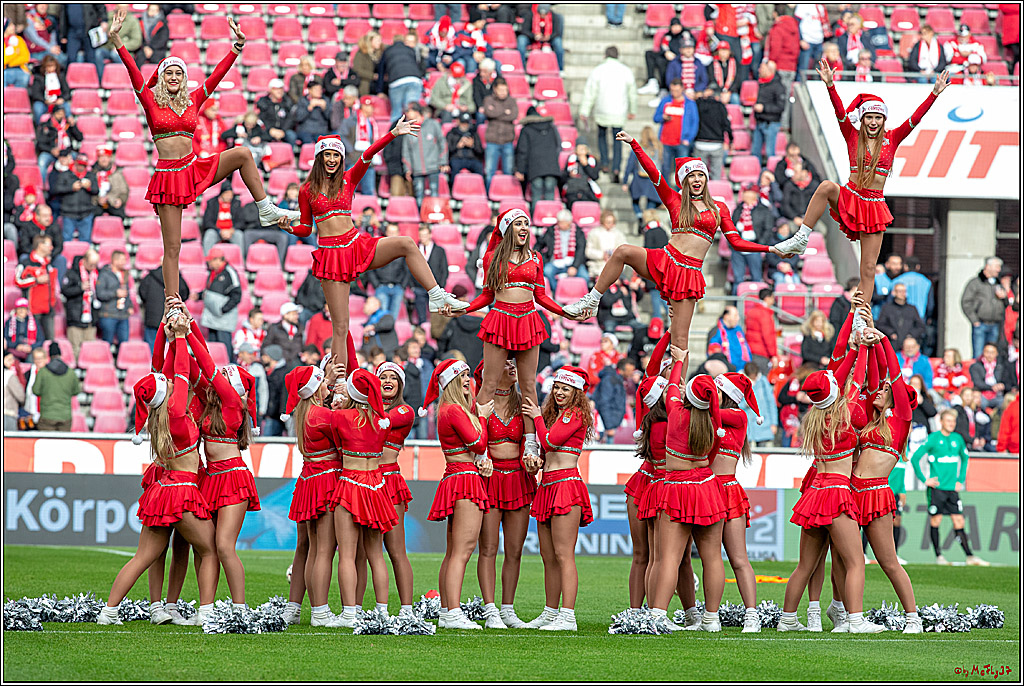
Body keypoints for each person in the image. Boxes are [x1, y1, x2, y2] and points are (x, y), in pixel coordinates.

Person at [108, 9, 297, 301]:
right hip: (169, 177)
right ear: (162, 77)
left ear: (184, 78)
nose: (173, 76)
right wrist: (117, 39)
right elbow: (133, 70)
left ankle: (266, 208)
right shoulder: (150, 100)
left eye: (178, 73)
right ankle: (172, 302)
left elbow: (217, 75)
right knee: (173, 248)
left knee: (243, 154)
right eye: (169, 72)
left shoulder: (193, 100)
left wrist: (237, 47)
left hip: (193, 168)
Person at [773, 59, 949, 333]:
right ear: (863, 119)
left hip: (875, 206)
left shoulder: (893, 137)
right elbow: (839, 112)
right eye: (869, 117)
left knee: (868, 269)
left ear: (883, 120)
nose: (874, 122)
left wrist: (934, 94)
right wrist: (830, 85)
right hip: (851, 196)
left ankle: (860, 316)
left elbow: (916, 119)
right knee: (826, 186)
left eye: (878, 117)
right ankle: (801, 237)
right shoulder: (852, 136)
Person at [281, 127, 468, 371]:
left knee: (406, 243)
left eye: (336, 155)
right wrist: (289, 228)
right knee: (341, 326)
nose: (332, 159)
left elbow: (368, 154)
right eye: (327, 154)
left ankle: (436, 295)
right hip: (331, 256)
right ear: (319, 157)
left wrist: (393, 133)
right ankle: (338, 380)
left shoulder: (348, 179)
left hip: (356, 244)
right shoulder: (307, 190)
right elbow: (306, 228)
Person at [566, 150, 779, 356]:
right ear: (684, 181)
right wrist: (634, 145)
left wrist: (772, 248)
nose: (696, 179)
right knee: (622, 251)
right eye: (691, 175)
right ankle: (592, 299)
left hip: (688, 273)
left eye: (700, 175)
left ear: (706, 178)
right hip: (665, 260)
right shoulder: (674, 200)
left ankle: (677, 381)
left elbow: (737, 242)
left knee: (680, 343)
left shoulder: (719, 208)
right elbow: (653, 172)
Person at [97, 313, 220, 627]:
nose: (169, 380)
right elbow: (180, 370)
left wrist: (165, 333)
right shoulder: (177, 413)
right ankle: (207, 613)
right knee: (210, 551)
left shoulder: (158, 414)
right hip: (183, 491)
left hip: (162, 491)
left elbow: (161, 370)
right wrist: (181, 334)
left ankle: (109, 611)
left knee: (143, 557)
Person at [778, 317, 885, 633]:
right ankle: (855, 620)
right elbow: (855, 380)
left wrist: (853, 348)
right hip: (837, 493)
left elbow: (835, 382)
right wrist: (861, 349)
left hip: (814, 492)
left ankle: (787, 619)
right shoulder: (844, 413)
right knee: (855, 562)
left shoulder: (815, 415)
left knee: (804, 566)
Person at [458, 209, 582, 458]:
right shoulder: (491, 257)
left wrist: (564, 311)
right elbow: (486, 296)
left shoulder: (536, 258)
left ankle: (531, 445)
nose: (524, 227)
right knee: (489, 384)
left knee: (528, 386)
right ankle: (478, 443)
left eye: (526, 223)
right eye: (518, 223)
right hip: (500, 319)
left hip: (528, 321)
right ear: (507, 229)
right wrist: (463, 308)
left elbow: (541, 296)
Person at [185, 316, 261, 609]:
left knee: (224, 546)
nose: (217, 378)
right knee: (204, 547)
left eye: (224, 377)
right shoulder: (212, 402)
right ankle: (206, 609)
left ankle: (239, 608)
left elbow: (205, 364)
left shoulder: (232, 403)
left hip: (232, 477)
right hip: (212, 478)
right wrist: (182, 330)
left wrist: (189, 329)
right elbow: (194, 366)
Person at [422, 359, 494, 630]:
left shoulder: (449, 409)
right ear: (450, 382)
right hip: (464, 479)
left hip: (456, 476)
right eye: (461, 376)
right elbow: (479, 443)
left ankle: (446, 610)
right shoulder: (453, 410)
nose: (467, 379)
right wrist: (483, 416)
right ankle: (452, 612)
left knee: (453, 551)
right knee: (462, 551)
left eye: (467, 375)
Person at [521, 366, 595, 631]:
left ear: (577, 393)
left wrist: (537, 417)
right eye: (557, 388)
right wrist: (534, 462)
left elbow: (551, 441)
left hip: (566, 486)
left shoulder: (575, 414)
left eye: (566, 388)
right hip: (547, 485)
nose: (559, 392)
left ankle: (568, 616)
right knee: (548, 556)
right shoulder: (556, 415)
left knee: (564, 554)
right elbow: (546, 453)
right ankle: (550, 612)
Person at [473, 360, 538, 629]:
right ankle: (490, 610)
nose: (512, 365)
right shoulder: (480, 403)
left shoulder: (523, 402)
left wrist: (531, 458)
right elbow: (472, 441)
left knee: (514, 550)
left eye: (513, 362)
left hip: (519, 480)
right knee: (488, 548)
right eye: (505, 363)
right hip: (489, 479)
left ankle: (508, 609)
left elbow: (530, 441)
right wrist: (480, 459)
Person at [329, 369, 397, 622]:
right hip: (377, 485)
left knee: (347, 554)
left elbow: (337, 446)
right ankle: (382, 611)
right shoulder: (384, 420)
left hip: (350, 483)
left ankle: (349, 612)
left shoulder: (340, 416)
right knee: (376, 555)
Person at [280, 363, 345, 625]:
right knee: (323, 550)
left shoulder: (304, 411)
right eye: (321, 382)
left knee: (306, 548)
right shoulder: (324, 416)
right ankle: (320, 611)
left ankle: (294, 609)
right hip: (326, 480)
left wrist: (326, 381)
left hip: (308, 480)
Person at [714, 372, 767, 631]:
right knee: (706, 558)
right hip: (704, 490)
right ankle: (704, 615)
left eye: (716, 389)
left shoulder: (737, 415)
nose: (711, 394)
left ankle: (752, 614)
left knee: (738, 558)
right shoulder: (709, 417)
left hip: (727, 491)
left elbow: (707, 411)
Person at [912, 410, 989, 566]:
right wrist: (925, 480)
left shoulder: (957, 439)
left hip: (952, 489)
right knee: (936, 520)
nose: (951, 424)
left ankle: (970, 556)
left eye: (953, 421)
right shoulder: (933, 438)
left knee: (959, 520)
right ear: (941, 422)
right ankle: (939, 556)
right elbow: (915, 458)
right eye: (948, 421)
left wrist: (960, 480)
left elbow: (965, 458)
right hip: (937, 488)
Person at [375, 360, 417, 618]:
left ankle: (406, 610)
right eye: (383, 377)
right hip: (365, 481)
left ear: (400, 384)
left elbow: (381, 422)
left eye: (393, 377)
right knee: (363, 552)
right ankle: (356, 610)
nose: (387, 381)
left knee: (396, 549)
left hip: (389, 481)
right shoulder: (368, 409)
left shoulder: (404, 411)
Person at [580, 46, 637, 182]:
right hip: (619, 111)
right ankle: (616, 167)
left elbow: (590, 92)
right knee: (618, 140)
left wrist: (584, 110)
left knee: (602, 136)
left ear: (605, 55)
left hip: (602, 110)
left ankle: (605, 163)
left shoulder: (598, 70)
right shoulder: (626, 71)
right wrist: (632, 110)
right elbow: (632, 93)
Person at [961, 257, 1009, 358]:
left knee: (992, 356)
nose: (999, 270)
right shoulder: (976, 283)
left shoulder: (998, 283)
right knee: (978, 354)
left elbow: (1006, 304)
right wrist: (974, 320)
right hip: (981, 324)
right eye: (997, 267)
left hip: (995, 324)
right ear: (988, 267)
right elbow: (966, 302)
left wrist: (1004, 297)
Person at [515, 106, 561, 210]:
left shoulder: (526, 129)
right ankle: (549, 216)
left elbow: (522, 151)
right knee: (550, 193)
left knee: (536, 194)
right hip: (551, 166)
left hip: (535, 167)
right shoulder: (551, 127)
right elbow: (558, 146)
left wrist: (520, 170)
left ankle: (536, 217)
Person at [401, 103, 447, 207]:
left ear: (416, 112)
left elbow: (442, 143)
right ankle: (421, 216)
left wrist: (442, 161)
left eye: (408, 111)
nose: (406, 113)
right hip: (417, 169)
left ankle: (434, 215)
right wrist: (407, 168)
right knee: (419, 196)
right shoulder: (408, 129)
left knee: (434, 194)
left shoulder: (433, 124)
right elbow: (406, 151)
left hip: (433, 167)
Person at [14, 234, 58, 341]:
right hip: (33, 311)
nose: (51, 247)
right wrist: (36, 280)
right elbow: (17, 281)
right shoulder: (26, 262)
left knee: (49, 342)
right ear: (40, 245)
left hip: (48, 310)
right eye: (49, 245)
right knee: (34, 342)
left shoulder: (49, 264)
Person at [731, 184, 773, 290]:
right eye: (744, 192)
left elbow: (768, 229)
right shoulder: (739, 209)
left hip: (754, 246)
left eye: (747, 192)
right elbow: (731, 227)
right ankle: (737, 298)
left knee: (756, 277)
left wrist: (760, 244)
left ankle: (755, 298)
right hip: (738, 247)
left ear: (754, 194)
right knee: (738, 278)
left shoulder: (763, 210)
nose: (744, 195)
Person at [763, 5, 799, 128]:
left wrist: (772, 60)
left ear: (775, 13)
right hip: (791, 66)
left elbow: (775, 47)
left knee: (778, 97)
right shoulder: (794, 27)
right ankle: (785, 123)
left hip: (779, 65)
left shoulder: (778, 28)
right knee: (786, 96)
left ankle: (779, 124)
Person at [653, 80, 699, 178]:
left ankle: (680, 187)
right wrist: (663, 117)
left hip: (681, 142)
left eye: (677, 91)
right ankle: (666, 187)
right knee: (665, 168)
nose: (674, 93)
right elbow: (656, 118)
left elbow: (694, 123)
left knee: (682, 170)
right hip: (665, 141)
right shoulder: (665, 101)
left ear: (682, 89)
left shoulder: (689, 104)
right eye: (672, 90)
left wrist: (689, 139)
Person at [137, 267, 189, 351]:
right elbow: (185, 294)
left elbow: (142, 293)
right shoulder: (177, 278)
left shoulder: (149, 277)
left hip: (152, 318)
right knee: (169, 348)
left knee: (151, 348)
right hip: (170, 319)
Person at [51, 152, 98, 244]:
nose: (81, 167)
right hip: (68, 213)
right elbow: (57, 189)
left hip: (86, 213)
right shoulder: (65, 175)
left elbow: (96, 190)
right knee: (67, 240)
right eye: (79, 165)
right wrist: (71, 188)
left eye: (83, 165)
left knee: (85, 241)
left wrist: (89, 187)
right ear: (75, 163)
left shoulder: (91, 176)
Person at [199, 248, 242, 351]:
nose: (209, 263)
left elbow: (236, 294)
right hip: (212, 317)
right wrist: (199, 295)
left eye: (211, 260)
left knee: (224, 347)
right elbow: (210, 291)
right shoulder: (213, 272)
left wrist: (223, 309)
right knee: (213, 348)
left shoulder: (230, 272)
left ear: (218, 259)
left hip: (223, 319)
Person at [60, 249, 99, 358]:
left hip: (91, 318)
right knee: (75, 348)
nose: (93, 267)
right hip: (75, 317)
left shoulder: (96, 274)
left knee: (90, 349)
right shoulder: (72, 273)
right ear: (84, 261)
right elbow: (65, 291)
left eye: (95, 265)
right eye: (91, 265)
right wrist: (80, 288)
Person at [621, 127, 664, 225]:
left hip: (639, 178)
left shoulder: (637, 148)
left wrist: (625, 181)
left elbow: (629, 165)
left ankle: (640, 215)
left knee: (635, 200)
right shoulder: (659, 149)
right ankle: (647, 219)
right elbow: (664, 167)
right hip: (653, 179)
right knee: (651, 201)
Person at [481, 78, 518, 189]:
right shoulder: (488, 99)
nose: (503, 93)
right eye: (500, 90)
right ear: (495, 90)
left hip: (507, 141)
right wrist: (505, 111)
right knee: (489, 171)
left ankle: (507, 192)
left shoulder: (512, 101)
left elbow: (513, 115)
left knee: (508, 171)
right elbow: (489, 113)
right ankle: (488, 194)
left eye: (505, 90)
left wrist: (496, 111)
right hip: (492, 141)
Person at [536, 210, 588, 285]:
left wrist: (575, 266)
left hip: (573, 262)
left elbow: (581, 250)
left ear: (569, 222)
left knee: (585, 277)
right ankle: (557, 290)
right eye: (559, 222)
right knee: (547, 272)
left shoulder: (578, 232)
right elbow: (539, 245)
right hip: (555, 262)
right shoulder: (551, 231)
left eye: (563, 223)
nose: (560, 225)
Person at [381, 31, 424, 121]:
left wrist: (379, 90)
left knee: (396, 112)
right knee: (412, 112)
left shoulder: (388, 51)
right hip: (414, 79)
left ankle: (394, 130)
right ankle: (413, 130)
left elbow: (381, 71)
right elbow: (419, 65)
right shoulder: (410, 50)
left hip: (396, 81)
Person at [96, 249, 135, 348]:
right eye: (122, 260)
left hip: (123, 314)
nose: (124, 262)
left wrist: (130, 306)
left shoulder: (125, 274)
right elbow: (100, 294)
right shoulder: (104, 274)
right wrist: (115, 293)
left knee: (124, 344)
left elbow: (127, 293)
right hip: (108, 314)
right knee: (107, 343)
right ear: (115, 260)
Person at [751, 61, 786, 164]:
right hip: (759, 122)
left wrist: (764, 108)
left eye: (762, 68)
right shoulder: (762, 83)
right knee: (755, 152)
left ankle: (772, 171)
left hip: (771, 124)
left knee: (770, 152)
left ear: (769, 71)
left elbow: (781, 107)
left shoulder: (778, 87)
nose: (759, 70)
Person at [693, 87, 731, 182]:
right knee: (716, 175)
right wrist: (731, 140)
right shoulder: (720, 106)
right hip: (716, 144)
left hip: (700, 143)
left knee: (699, 177)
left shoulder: (698, 104)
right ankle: (715, 191)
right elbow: (726, 125)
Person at [641, 18, 687, 94]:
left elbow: (690, 48)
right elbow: (663, 46)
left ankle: (664, 87)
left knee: (661, 62)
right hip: (668, 56)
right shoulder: (668, 36)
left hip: (680, 58)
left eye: (677, 26)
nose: (676, 28)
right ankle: (652, 80)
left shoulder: (685, 35)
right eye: (674, 26)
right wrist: (666, 52)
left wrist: (678, 56)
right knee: (649, 54)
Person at [877, 283, 926, 349]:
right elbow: (880, 325)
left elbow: (920, 326)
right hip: (892, 344)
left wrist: (911, 335)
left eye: (904, 291)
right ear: (894, 293)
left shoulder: (912, 309)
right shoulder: (886, 308)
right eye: (900, 291)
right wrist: (891, 333)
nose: (903, 294)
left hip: (908, 346)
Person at [28, 54, 71, 123]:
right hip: (44, 102)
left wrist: (62, 99)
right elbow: (36, 93)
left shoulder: (61, 76)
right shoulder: (39, 77)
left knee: (67, 107)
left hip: (58, 101)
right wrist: (45, 100)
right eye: (48, 66)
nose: (51, 69)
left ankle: (68, 126)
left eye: (52, 66)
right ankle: (39, 127)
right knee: (37, 108)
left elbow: (67, 91)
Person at [970, 343, 1013, 411]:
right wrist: (991, 387)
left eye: (992, 352)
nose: (989, 355)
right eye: (987, 352)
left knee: (1005, 404)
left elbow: (1008, 381)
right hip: (982, 394)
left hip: (998, 394)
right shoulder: (976, 366)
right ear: (983, 352)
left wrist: (1002, 385)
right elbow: (977, 382)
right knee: (979, 402)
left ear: (997, 353)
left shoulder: (1002, 366)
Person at [585, 210, 627, 278]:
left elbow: (625, 248)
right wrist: (602, 255)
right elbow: (588, 251)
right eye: (608, 222)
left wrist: (616, 253)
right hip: (598, 265)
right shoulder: (594, 233)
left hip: (615, 264)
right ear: (603, 222)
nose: (611, 224)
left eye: (612, 222)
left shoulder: (618, 234)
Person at [91, 144, 129, 219]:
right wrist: (97, 199)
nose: (104, 160)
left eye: (106, 157)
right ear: (98, 158)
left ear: (110, 158)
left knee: (120, 214)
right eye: (101, 157)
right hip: (96, 203)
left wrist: (120, 200)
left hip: (112, 201)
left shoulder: (116, 173)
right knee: (91, 215)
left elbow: (124, 190)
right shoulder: (92, 174)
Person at [709, 306, 753, 371]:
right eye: (735, 316)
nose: (738, 318)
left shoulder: (738, 330)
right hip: (727, 371)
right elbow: (714, 355)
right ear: (726, 316)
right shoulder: (716, 332)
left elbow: (746, 349)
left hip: (743, 370)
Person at [256, 79, 297, 148]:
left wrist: (283, 130)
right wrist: (270, 129)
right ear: (270, 90)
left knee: (291, 136)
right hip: (268, 130)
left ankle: (289, 154)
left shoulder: (287, 102)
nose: (279, 91)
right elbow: (262, 119)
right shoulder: (263, 102)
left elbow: (290, 118)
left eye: (281, 89)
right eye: (276, 89)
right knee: (261, 136)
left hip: (284, 130)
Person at [745, 288, 777, 374]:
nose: (773, 301)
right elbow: (768, 336)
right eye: (772, 298)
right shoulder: (764, 314)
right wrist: (773, 355)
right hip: (762, 352)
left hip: (751, 351)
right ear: (767, 298)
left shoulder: (751, 311)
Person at [795, 4, 830, 81]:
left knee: (818, 69)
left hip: (819, 41)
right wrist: (801, 39)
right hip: (807, 40)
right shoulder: (803, 5)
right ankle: (800, 85)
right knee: (803, 68)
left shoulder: (821, 6)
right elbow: (796, 22)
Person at [446, 111, 485, 179]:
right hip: (457, 158)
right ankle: (452, 185)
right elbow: (447, 150)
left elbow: (481, 151)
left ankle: (481, 185)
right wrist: (458, 146)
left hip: (472, 158)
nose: (464, 125)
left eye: (466, 123)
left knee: (479, 167)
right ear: (458, 122)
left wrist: (472, 145)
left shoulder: (474, 133)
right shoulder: (452, 133)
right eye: (463, 123)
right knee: (454, 167)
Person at [562, 144, 601, 208]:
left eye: (583, 149)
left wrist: (586, 165)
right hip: (572, 190)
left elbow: (595, 176)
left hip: (587, 191)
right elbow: (563, 178)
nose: (581, 151)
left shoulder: (592, 160)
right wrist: (569, 174)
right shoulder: (571, 160)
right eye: (579, 149)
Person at [351, 31, 383, 97]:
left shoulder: (379, 53)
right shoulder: (361, 53)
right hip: (366, 85)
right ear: (370, 41)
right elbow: (357, 69)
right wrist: (373, 76)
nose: (380, 42)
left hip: (379, 84)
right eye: (377, 40)